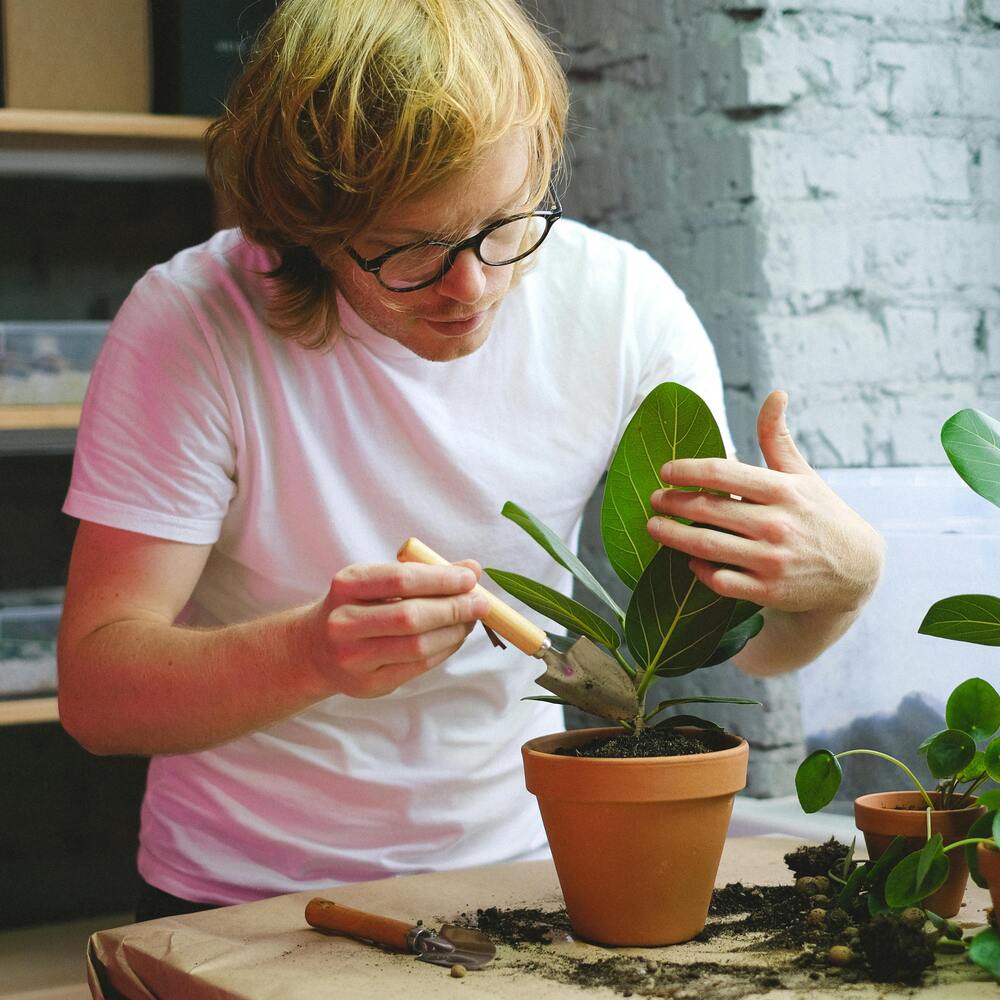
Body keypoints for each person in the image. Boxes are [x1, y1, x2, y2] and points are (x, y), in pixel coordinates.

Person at [57, 0, 884, 921]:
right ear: (309, 230)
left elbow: (752, 644)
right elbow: (100, 695)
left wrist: (844, 579)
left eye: (504, 226)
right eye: (408, 252)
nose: (472, 289)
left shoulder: (622, 308)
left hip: (520, 875)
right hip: (239, 894)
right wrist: (308, 653)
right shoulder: (192, 324)